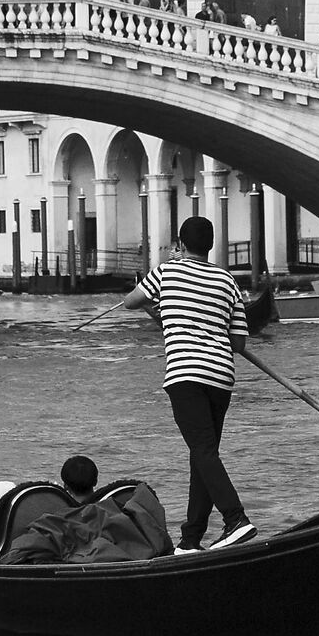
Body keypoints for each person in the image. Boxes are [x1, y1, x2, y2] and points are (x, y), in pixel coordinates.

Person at [128, 217, 254, 553]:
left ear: (181, 245)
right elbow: (238, 343)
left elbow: (131, 301)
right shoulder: (227, 280)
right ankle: (191, 539)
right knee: (203, 454)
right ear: (210, 245)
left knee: (203, 452)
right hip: (221, 377)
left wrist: (162, 309)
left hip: (186, 374)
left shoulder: (167, 272)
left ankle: (236, 519)